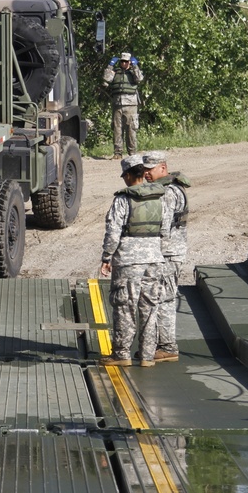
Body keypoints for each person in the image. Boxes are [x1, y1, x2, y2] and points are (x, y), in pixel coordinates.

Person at [99, 155, 170, 367]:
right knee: (149, 307)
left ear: (129, 175)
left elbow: (113, 233)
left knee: (125, 306)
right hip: (154, 259)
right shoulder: (160, 197)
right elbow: (165, 231)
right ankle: (147, 355)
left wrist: (106, 256)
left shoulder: (123, 200)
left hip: (128, 261)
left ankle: (121, 354)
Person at [143, 150, 190, 363]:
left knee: (163, 299)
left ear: (163, 167)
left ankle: (168, 347)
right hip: (170, 252)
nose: (146, 174)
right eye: (144, 170)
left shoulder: (168, 192)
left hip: (168, 253)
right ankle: (163, 346)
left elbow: (161, 227)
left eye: (150, 170)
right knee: (163, 298)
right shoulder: (169, 189)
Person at [103, 53, 144, 159]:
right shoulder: (115, 71)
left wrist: (135, 66)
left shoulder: (133, 72)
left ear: (130, 62)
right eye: (122, 61)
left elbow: (139, 79)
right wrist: (110, 66)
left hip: (131, 104)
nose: (124, 63)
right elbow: (106, 79)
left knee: (131, 129)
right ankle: (117, 153)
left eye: (126, 61)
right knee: (117, 129)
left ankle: (132, 153)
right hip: (117, 103)